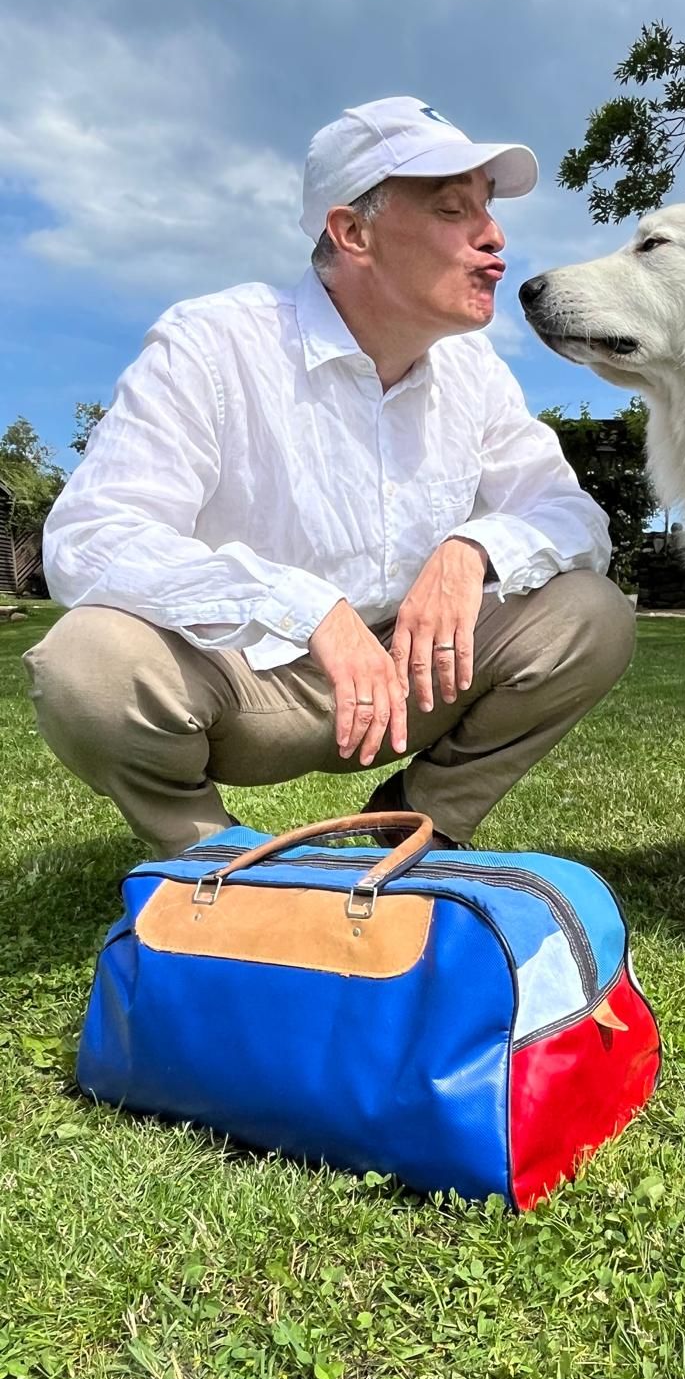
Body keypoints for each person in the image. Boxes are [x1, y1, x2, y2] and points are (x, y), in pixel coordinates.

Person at [25, 97, 634, 856]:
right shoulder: (213, 345)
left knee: (591, 613)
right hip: (247, 684)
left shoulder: (474, 371)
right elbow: (90, 538)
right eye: (453, 210)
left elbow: (573, 519)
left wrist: (473, 550)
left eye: (489, 210)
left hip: (414, 679)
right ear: (353, 233)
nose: (494, 237)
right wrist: (306, 608)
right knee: (89, 665)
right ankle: (215, 859)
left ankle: (418, 824)